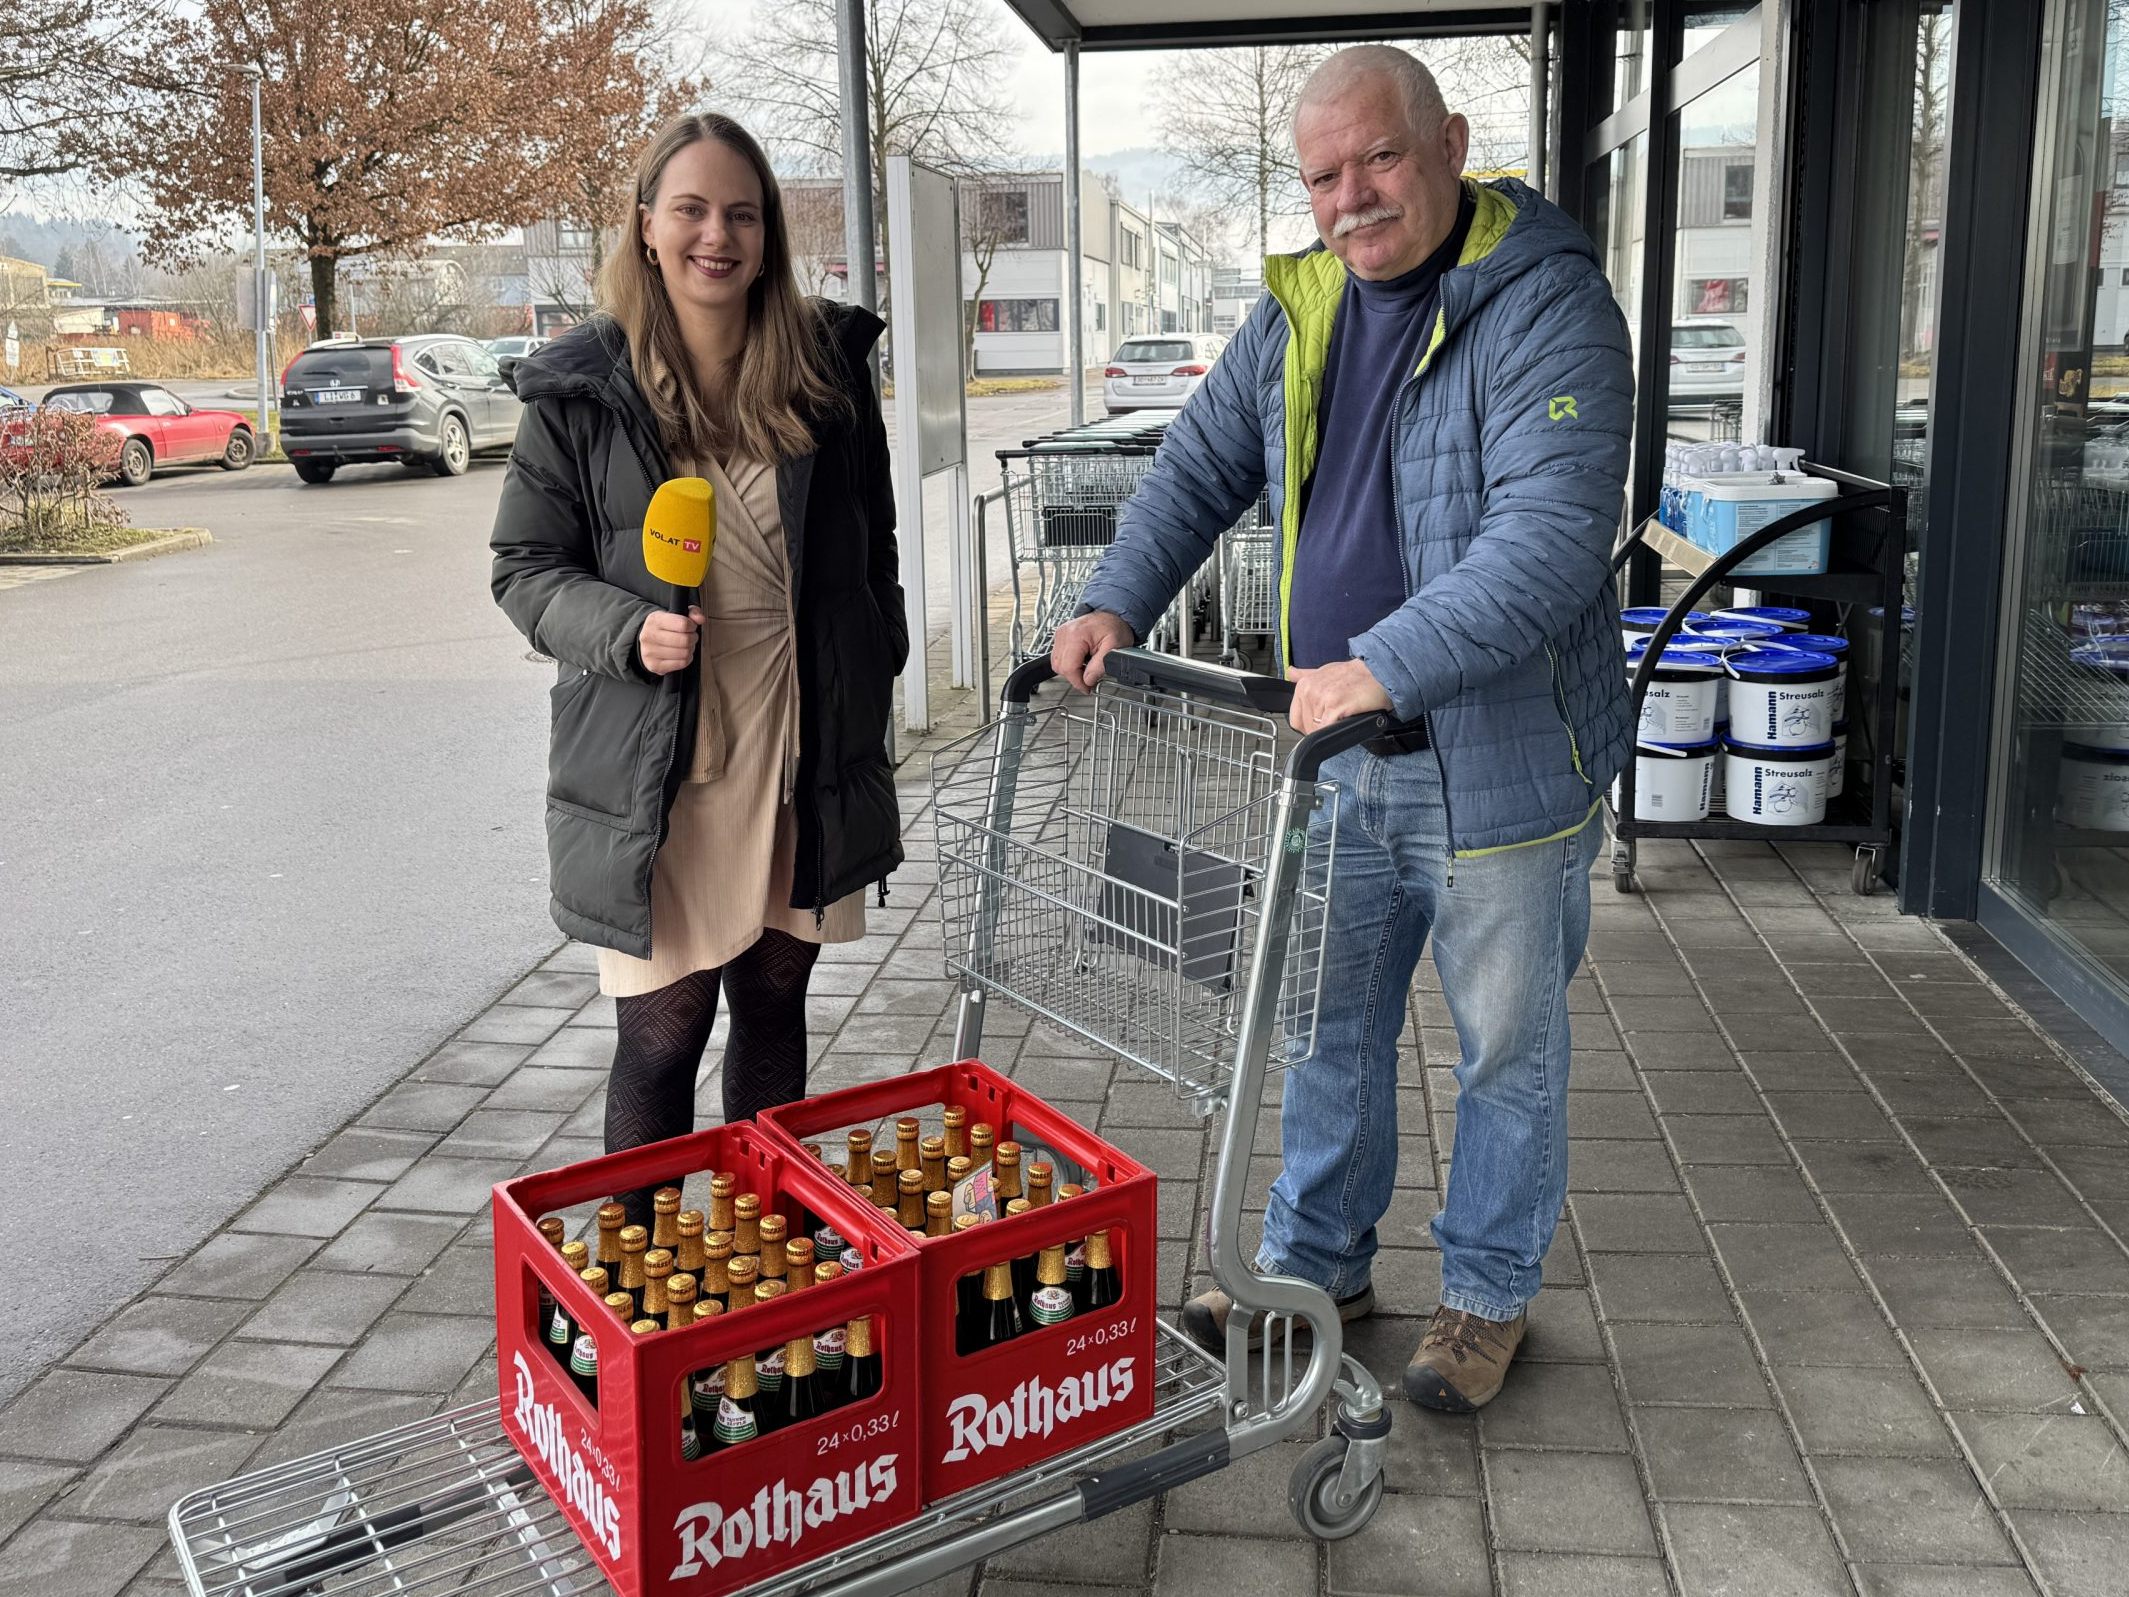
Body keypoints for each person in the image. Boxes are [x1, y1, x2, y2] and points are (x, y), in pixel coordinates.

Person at [1054, 46, 1633, 1411]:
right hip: (1339, 763)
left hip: (1496, 768)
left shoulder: (1545, 304)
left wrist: (1379, 666)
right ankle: (1313, 1263)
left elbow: (1549, 540)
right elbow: (1198, 462)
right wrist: (1112, 600)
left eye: (1376, 158)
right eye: (1323, 175)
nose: (1351, 198)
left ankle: (1485, 1300)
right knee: (1327, 1028)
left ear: (1448, 141)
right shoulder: (1300, 306)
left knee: (1503, 1050)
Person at [491, 112, 907, 1226]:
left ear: (767, 234)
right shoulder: (579, 388)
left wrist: (877, 654)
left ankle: (758, 1264)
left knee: (775, 1002)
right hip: (662, 758)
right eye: (690, 209)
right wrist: (623, 630)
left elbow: (872, 540)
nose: (714, 235)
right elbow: (523, 569)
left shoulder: (823, 369)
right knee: (661, 1027)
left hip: (800, 737)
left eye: (740, 212)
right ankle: (642, 1289)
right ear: (645, 226)